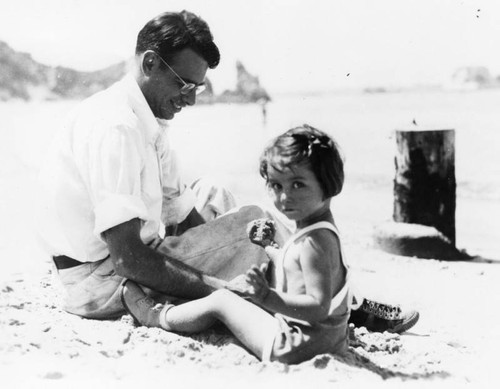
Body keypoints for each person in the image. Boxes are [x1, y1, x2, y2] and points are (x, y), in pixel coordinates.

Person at [36, 10, 418, 333]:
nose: (190, 98)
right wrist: (223, 289)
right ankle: (339, 300)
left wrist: (230, 242)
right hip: (99, 282)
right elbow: (128, 258)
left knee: (215, 195)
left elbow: (183, 215)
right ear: (150, 63)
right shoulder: (116, 127)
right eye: (184, 84)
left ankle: (310, 286)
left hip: (110, 262)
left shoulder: (143, 118)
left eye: (198, 88)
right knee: (254, 219)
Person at [121, 125, 355, 363]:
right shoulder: (320, 230)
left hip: (293, 345)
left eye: (298, 185)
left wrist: (267, 297)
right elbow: (295, 268)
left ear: (329, 182)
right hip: (329, 339)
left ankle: (158, 317)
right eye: (276, 185)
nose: (285, 197)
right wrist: (268, 247)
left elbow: (317, 306)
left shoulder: (314, 244)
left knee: (222, 301)